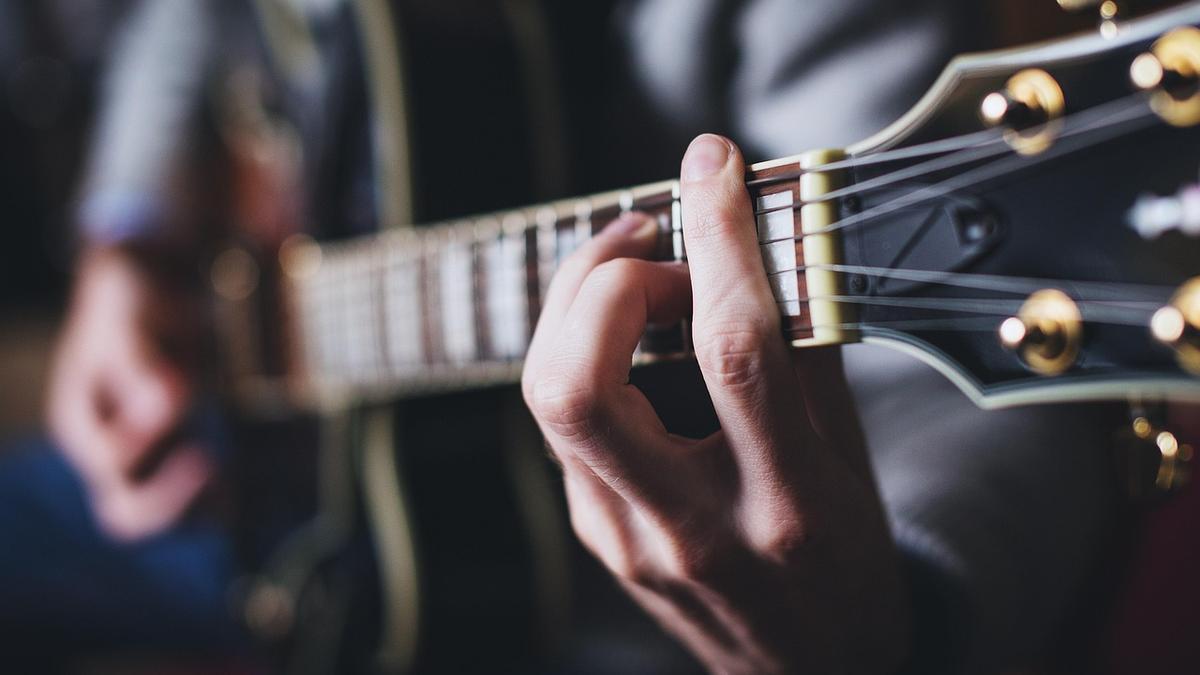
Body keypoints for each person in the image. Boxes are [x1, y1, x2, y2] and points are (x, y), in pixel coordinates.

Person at [3, 0, 1120, 672]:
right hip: (262, 490)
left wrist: (902, 615)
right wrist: (126, 241)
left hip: (587, 603)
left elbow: (967, 357)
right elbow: (181, 21)